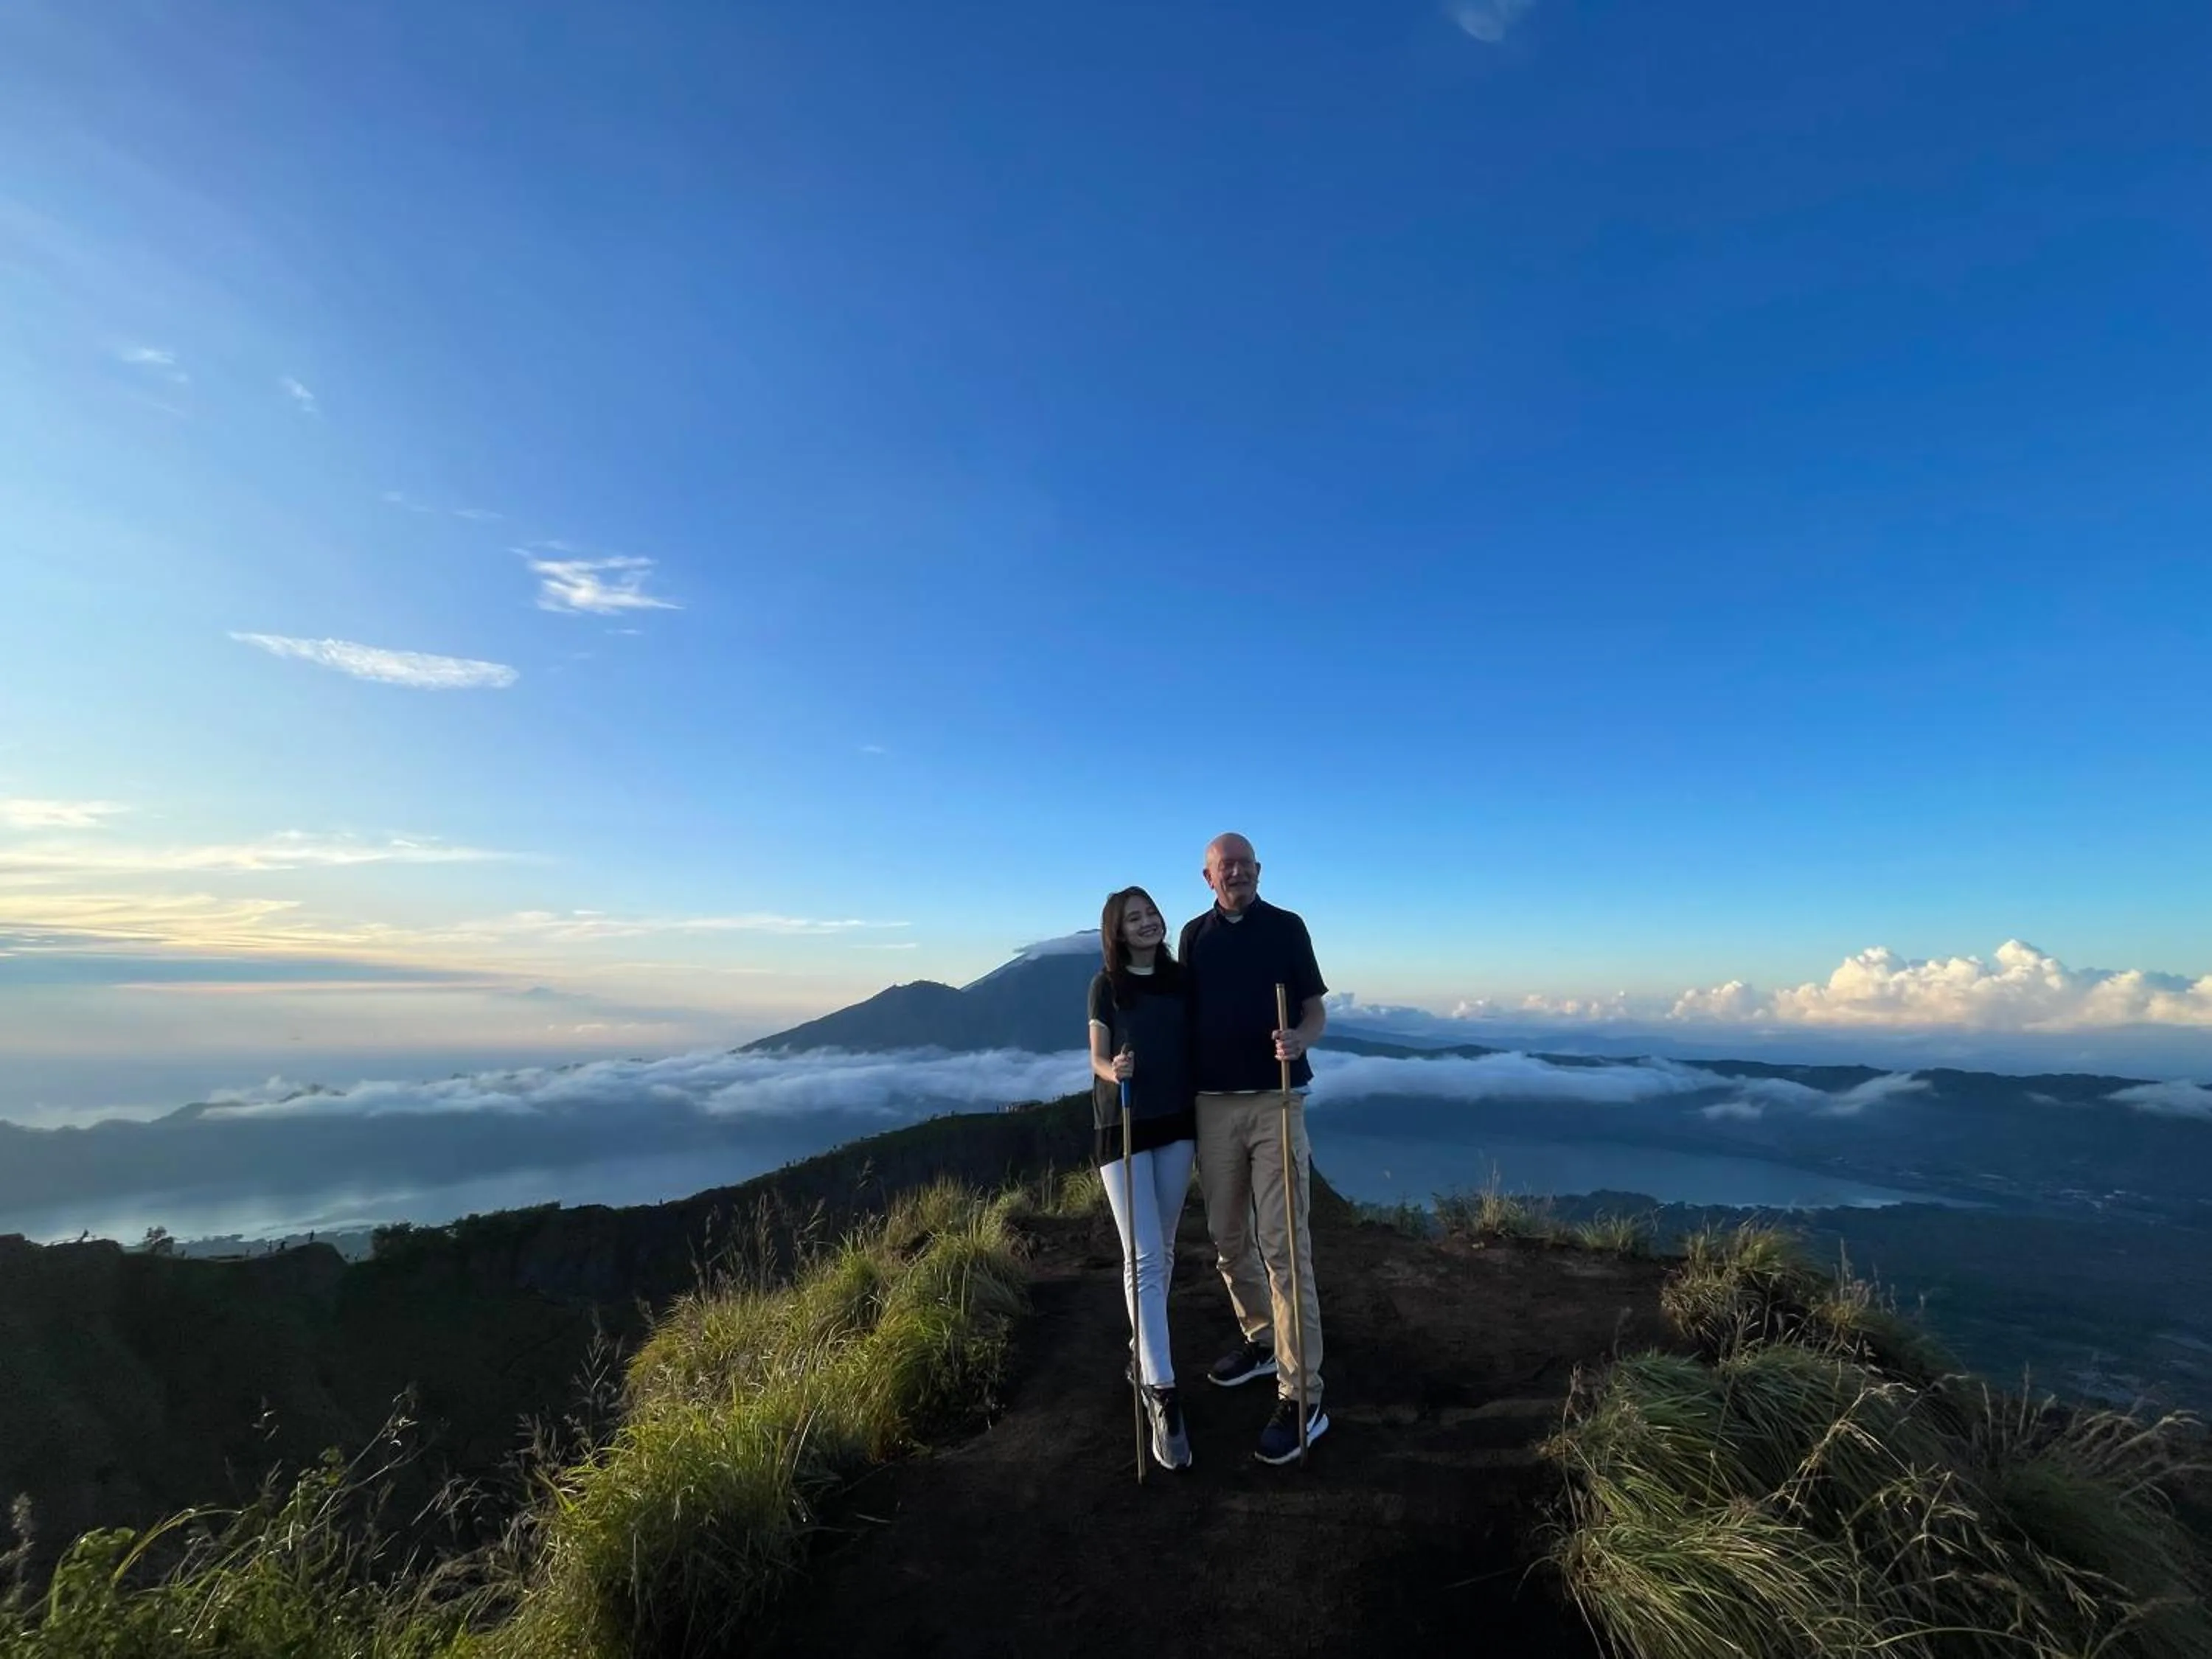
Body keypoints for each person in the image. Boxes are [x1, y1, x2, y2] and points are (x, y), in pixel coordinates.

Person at [1178, 832, 1329, 1465]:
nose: (1235, 873)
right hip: (1212, 1104)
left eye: (1244, 864)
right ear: (1207, 877)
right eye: (1224, 866)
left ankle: (1303, 1396)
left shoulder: (1288, 928)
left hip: (1275, 1099)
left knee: (1284, 1245)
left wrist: (1299, 1038)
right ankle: (1263, 1338)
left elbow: (1315, 1009)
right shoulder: (1193, 938)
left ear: (1259, 871)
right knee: (1227, 1235)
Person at [1087, 885, 1197, 1472]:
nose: (1148, 922)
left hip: (1177, 1124)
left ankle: (1141, 1353)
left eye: (1151, 912)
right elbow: (1097, 1058)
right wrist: (1114, 1069)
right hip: (1122, 1126)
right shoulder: (1107, 985)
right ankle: (1162, 1390)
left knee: (1163, 1248)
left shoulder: (1181, 980)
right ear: (1118, 930)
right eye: (1135, 918)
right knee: (1146, 1257)